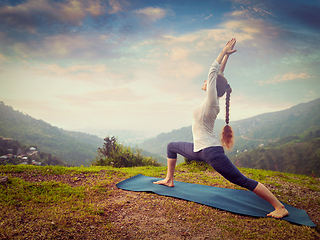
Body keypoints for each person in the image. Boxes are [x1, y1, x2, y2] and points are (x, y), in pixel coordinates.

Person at [154, 38, 289, 219]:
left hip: (211, 152)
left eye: (208, 81)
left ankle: (280, 207)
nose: (205, 81)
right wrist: (226, 56)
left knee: (241, 180)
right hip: (198, 149)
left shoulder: (211, 102)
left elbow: (213, 72)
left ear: (212, 86)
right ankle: (169, 180)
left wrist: (222, 51)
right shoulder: (212, 99)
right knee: (171, 146)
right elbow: (218, 75)